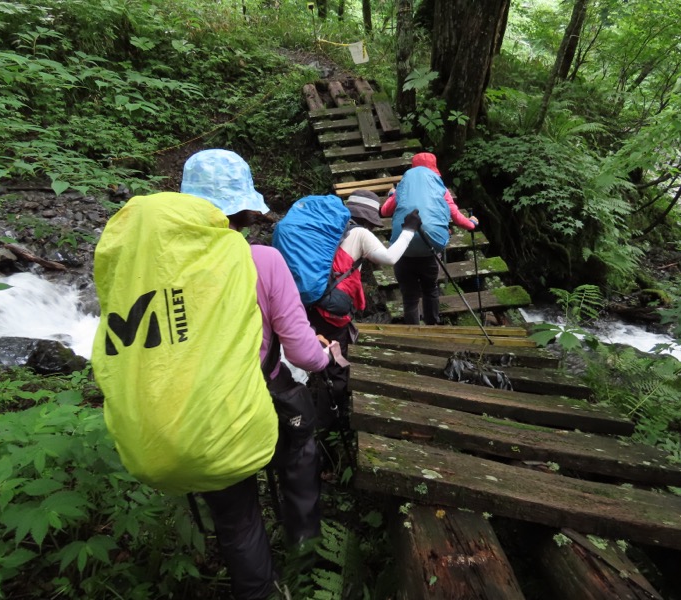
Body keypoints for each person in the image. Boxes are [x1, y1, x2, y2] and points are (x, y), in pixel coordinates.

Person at [181, 148, 331, 599]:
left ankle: (259, 591)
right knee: (301, 450)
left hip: (195, 409)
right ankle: (306, 558)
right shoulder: (263, 261)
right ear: (243, 209)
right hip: (257, 397)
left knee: (235, 518)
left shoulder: (168, 269)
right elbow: (303, 353)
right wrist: (329, 357)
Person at [305, 189, 421, 429]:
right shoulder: (359, 232)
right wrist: (409, 229)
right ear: (368, 218)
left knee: (312, 351)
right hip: (333, 311)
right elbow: (389, 258)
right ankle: (331, 423)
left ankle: (308, 403)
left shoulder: (324, 228)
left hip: (309, 301)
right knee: (335, 363)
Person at [380, 152, 479, 325]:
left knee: (410, 297)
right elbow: (455, 216)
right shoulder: (441, 189)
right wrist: (471, 224)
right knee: (430, 290)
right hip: (429, 250)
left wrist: (391, 195)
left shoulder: (403, 187)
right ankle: (433, 325)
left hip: (403, 251)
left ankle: (414, 333)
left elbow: (384, 212)